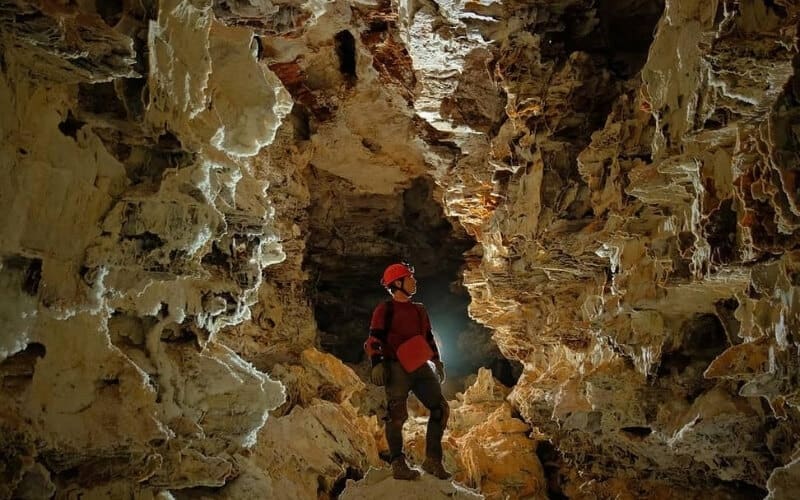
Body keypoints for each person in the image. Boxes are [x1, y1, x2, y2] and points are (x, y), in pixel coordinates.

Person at [364, 262, 451, 481]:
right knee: (396, 416)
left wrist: (437, 362)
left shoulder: (419, 310)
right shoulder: (385, 310)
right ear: (397, 283)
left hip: (420, 366)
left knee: (440, 408)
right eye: (409, 278)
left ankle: (433, 460)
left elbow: (428, 337)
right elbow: (375, 338)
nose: (414, 281)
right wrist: (377, 363)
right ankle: (398, 463)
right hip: (396, 367)